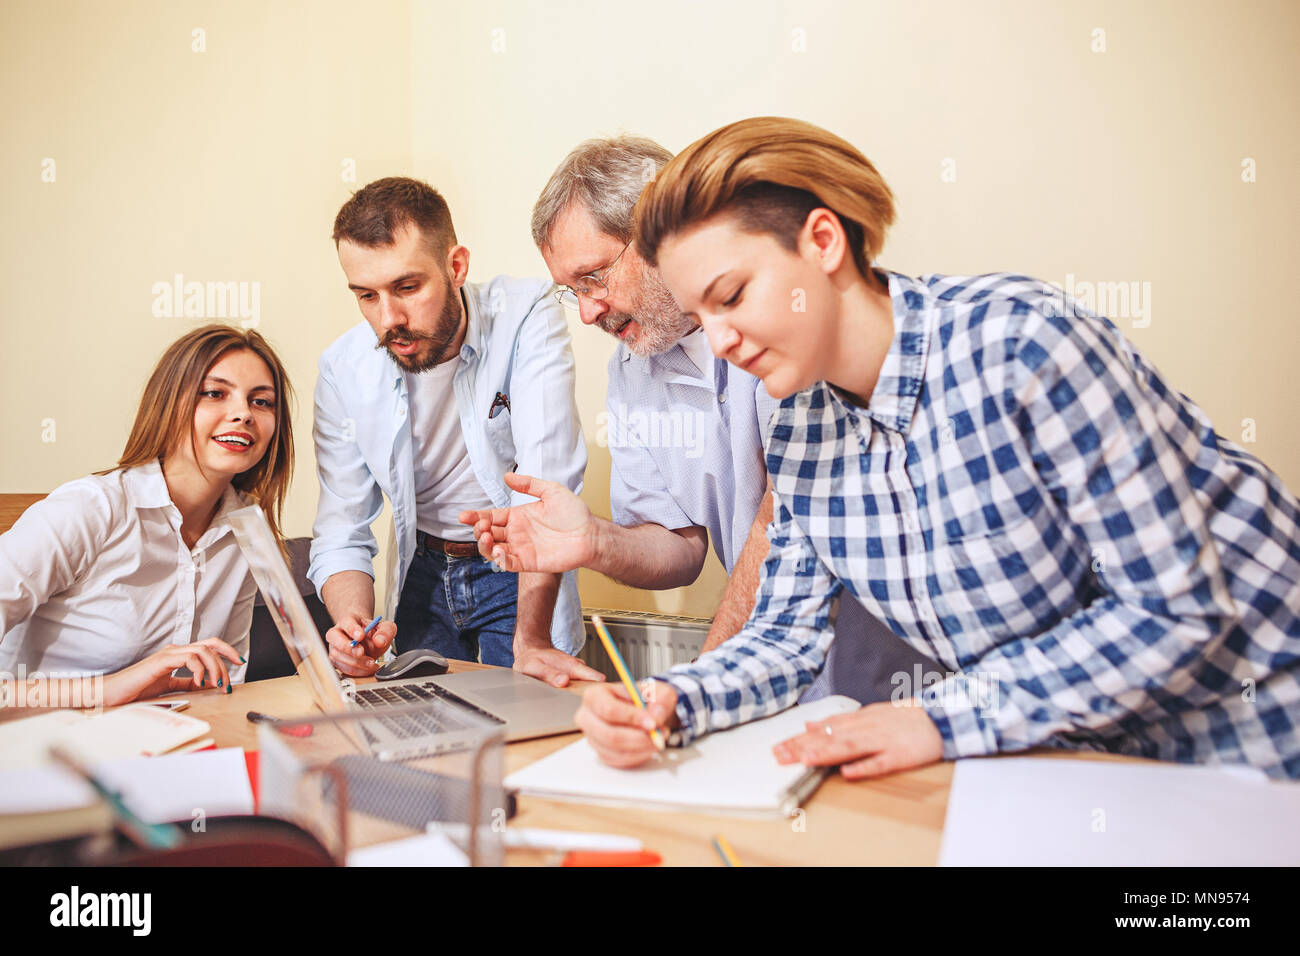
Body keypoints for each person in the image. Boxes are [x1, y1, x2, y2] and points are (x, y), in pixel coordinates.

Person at [575, 116, 1300, 780]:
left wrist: (939, 719)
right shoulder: (798, 430)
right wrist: (674, 699)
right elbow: (785, 636)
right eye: (702, 315)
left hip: (1252, 731)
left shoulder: (1022, 345)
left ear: (823, 242)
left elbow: (1176, 607)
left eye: (731, 296)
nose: (722, 344)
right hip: (1079, 761)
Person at [462, 137, 934, 704]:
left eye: (594, 278)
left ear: (659, 237)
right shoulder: (635, 372)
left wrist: (693, 691)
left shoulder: (803, 342)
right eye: (572, 292)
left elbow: (777, 529)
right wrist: (593, 540)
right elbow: (687, 548)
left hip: (882, 667)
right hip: (774, 661)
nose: (587, 311)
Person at [309, 177, 601, 687]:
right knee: (433, 744)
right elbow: (342, 527)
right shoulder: (342, 368)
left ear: (456, 266)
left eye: (407, 287)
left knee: (525, 731)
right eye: (366, 296)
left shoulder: (526, 313)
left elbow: (547, 484)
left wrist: (530, 640)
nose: (389, 320)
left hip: (516, 565)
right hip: (421, 575)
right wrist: (351, 629)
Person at [0, 325, 295, 708]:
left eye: (262, 402)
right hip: (39, 747)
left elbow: (222, 688)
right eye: (214, 393)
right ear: (169, 404)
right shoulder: (90, 510)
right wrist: (104, 691)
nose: (242, 414)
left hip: (164, 745)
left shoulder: (249, 534)